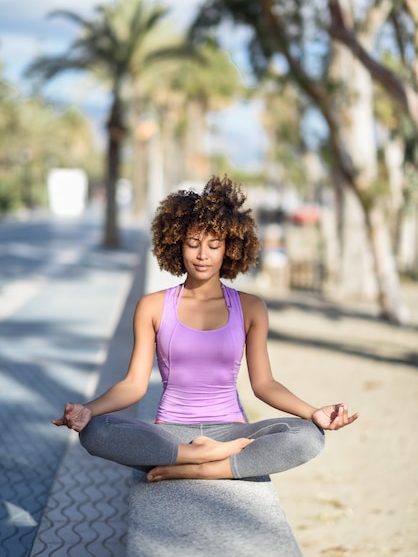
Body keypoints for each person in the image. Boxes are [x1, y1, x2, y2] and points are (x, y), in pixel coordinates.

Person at [52, 175, 358, 482]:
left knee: (309, 435)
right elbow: (133, 385)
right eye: (193, 244)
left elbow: (264, 384)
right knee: (94, 432)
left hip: (230, 430)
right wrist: (87, 410)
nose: (202, 255)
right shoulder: (153, 307)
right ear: (176, 244)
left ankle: (208, 466)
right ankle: (193, 456)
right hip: (170, 435)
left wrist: (313, 412)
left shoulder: (250, 308)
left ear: (230, 248)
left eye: (214, 245)